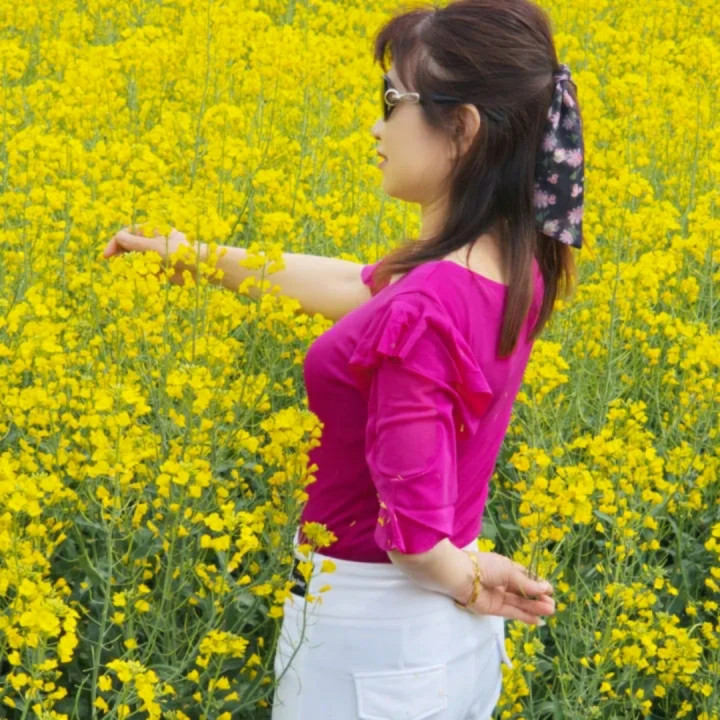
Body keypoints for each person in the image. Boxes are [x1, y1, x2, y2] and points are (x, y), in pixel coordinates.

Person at [103, 0, 584, 716]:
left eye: (392, 101)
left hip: (374, 644)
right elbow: (357, 288)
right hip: (432, 645)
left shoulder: (423, 309)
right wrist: (196, 258)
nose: (376, 127)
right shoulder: (507, 268)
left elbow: (414, 536)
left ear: (462, 128)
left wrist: (468, 580)